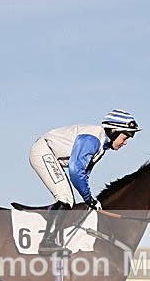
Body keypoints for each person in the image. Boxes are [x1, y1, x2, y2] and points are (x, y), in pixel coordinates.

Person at [29, 109, 141, 255]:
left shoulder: (101, 146)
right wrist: (89, 199)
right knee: (65, 198)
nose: (125, 142)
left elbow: (84, 175)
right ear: (113, 131)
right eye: (125, 137)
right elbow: (76, 173)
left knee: (68, 199)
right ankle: (47, 243)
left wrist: (90, 200)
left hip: (51, 154)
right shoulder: (92, 140)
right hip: (44, 151)